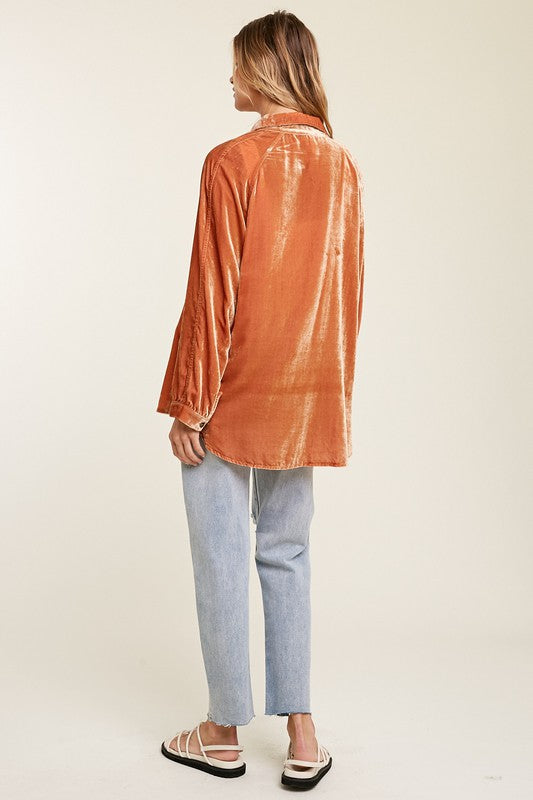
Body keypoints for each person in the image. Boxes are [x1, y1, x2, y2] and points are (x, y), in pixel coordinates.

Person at [156, 10, 365, 789]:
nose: (231, 78)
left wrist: (189, 401)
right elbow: (346, 295)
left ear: (265, 71)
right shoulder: (341, 165)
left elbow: (212, 289)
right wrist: (327, 392)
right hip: (305, 393)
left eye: (239, 65)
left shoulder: (231, 160)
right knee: (288, 553)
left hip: (231, 391)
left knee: (220, 558)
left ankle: (221, 731)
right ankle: (302, 733)